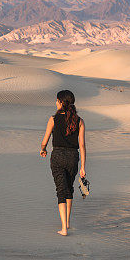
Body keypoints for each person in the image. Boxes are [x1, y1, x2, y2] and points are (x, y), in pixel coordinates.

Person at [40, 89, 86, 236]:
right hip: (73, 157)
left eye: (56, 100)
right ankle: (67, 223)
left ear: (60, 102)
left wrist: (43, 149)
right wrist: (83, 167)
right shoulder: (79, 121)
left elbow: (44, 141)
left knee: (61, 190)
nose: (55, 103)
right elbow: (82, 146)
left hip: (58, 156)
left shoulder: (53, 119)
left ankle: (64, 229)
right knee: (69, 189)